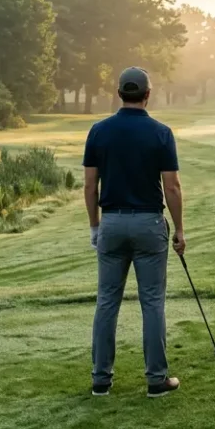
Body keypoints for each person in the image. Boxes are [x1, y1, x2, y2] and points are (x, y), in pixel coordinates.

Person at [84, 66, 186, 398]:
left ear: (118, 94)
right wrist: (180, 231)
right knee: (153, 301)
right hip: (148, 224)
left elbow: (89, 185)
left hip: (111, 224)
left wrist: (94, 227)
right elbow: (172, 188)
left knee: (107, 301)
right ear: (147, 94)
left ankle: (101, 379)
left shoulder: (99, 131)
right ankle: (157, 381)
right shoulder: (161, 132)